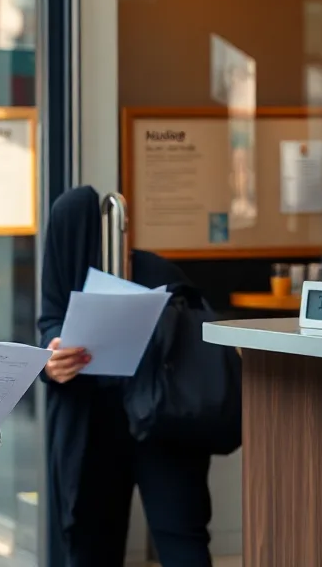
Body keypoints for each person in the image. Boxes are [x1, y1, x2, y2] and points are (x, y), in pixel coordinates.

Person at [39, 186, 211, 567]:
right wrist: (52, 358)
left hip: (161, 422)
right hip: (92, 427)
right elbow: (48, 324)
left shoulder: (158, 272)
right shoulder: (61, 274)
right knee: (91, 542)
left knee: (180, 533)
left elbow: (192, 337)